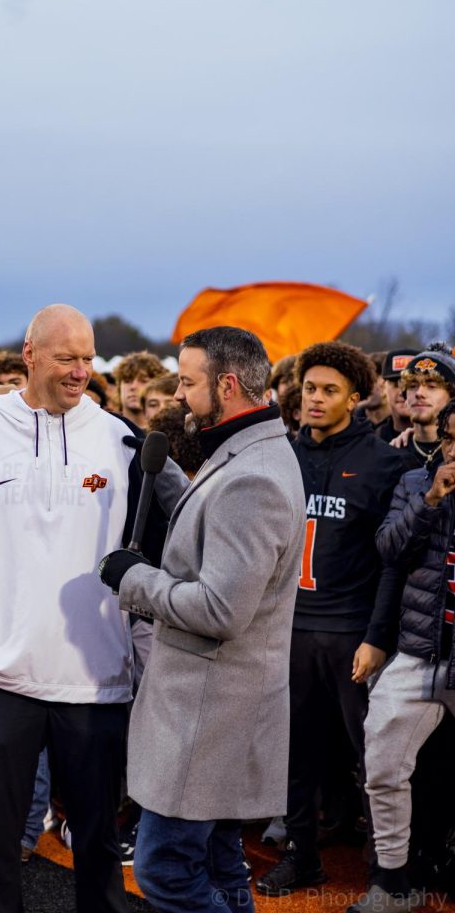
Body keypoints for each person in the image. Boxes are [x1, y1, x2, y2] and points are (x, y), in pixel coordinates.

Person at [0, 303, 174, 913]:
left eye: (89, 359)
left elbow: (166, 548)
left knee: (95, 841)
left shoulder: (123, 441)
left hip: (95, 680)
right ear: (29, 356)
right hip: (0, 673)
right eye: (67, 358)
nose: (80, 371)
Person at [99, 325, 306, 913]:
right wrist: (164, 475)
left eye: (188, 383)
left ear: (228, 384)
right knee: (219, 864)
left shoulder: (255, 476)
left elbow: (220, 609)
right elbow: (213, 518)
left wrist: (131, 578)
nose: (179, 397)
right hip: (218, 710)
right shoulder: (254, 451)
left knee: (164, 870)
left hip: (208, 714)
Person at [255, 342, 408, 897]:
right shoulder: (281, 456)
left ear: (357, 397)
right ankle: (303, 855)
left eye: (330, 391)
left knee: (372, 759)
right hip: (288, 629)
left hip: (349, 632)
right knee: (295, 753)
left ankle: (383, 871)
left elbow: (395, 561)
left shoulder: (387, 463)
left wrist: (376, 636)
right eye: (310, 389)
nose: (316, 400)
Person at [351, 398, 455, 913]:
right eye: (452, 438)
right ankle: (391, 881)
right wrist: (432, 499)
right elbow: (389, 551)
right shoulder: (419, 482)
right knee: (384, 765)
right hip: (420, 652)